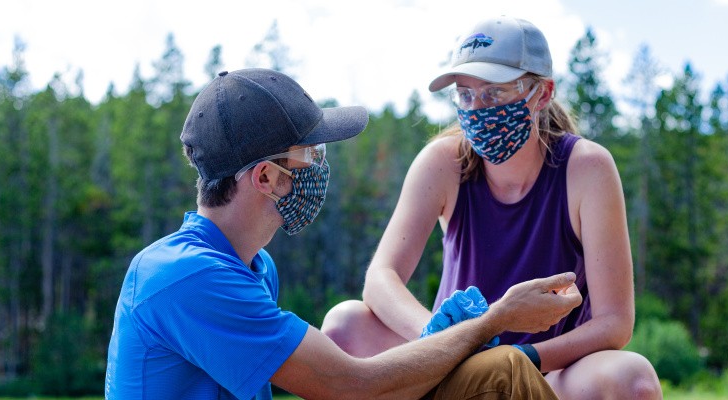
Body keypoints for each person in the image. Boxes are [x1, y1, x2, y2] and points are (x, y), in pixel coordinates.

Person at [104, 67, 583, 400]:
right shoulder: (186, 278)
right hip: (354, 385)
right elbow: (351, 386)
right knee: (502, 373)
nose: (318, 167)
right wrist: (492, 320)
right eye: (309, 155)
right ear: (267, 178)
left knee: (501, 372)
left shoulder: (252, 266)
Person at [321, 16, 663, 399]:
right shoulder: (443, 162)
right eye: (465, 94)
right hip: (447, 364)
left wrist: (514, 358)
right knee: (344, 324)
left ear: (543, 93)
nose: (477, 108)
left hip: (547, 371)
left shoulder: (586, 168)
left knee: (634, 380)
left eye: (495, 92)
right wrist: (442, 338)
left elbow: (614, 322)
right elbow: (381, 278)